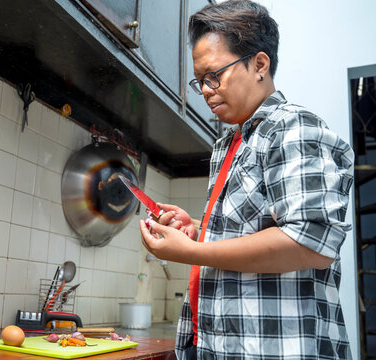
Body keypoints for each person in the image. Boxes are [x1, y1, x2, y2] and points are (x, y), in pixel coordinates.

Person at [139, 1, 354, 359]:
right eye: (200, 81)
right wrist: (196, 228)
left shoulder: (293, 127)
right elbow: (253, 229)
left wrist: (193, 251)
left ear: (259, 65)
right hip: (218, 344)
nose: (206, 90)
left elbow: (312, 242)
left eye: (214, 76)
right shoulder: (229, 143)